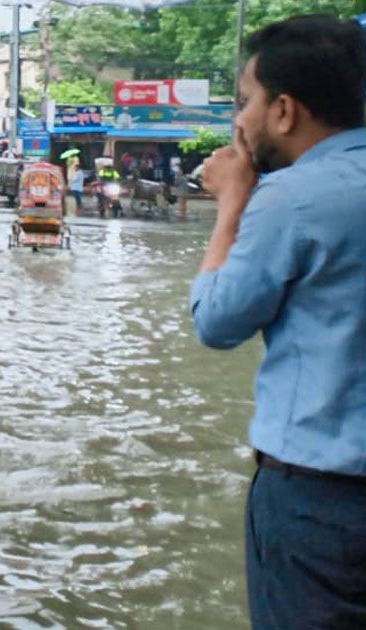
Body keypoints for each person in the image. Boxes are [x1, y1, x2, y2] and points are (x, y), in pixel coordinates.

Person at [189, 15, 366, 628]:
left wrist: (233, 205)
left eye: (246, 101)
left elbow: (217, 321)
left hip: (319, 505)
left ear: (284, 111)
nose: (239, 120)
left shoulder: (292, 198)